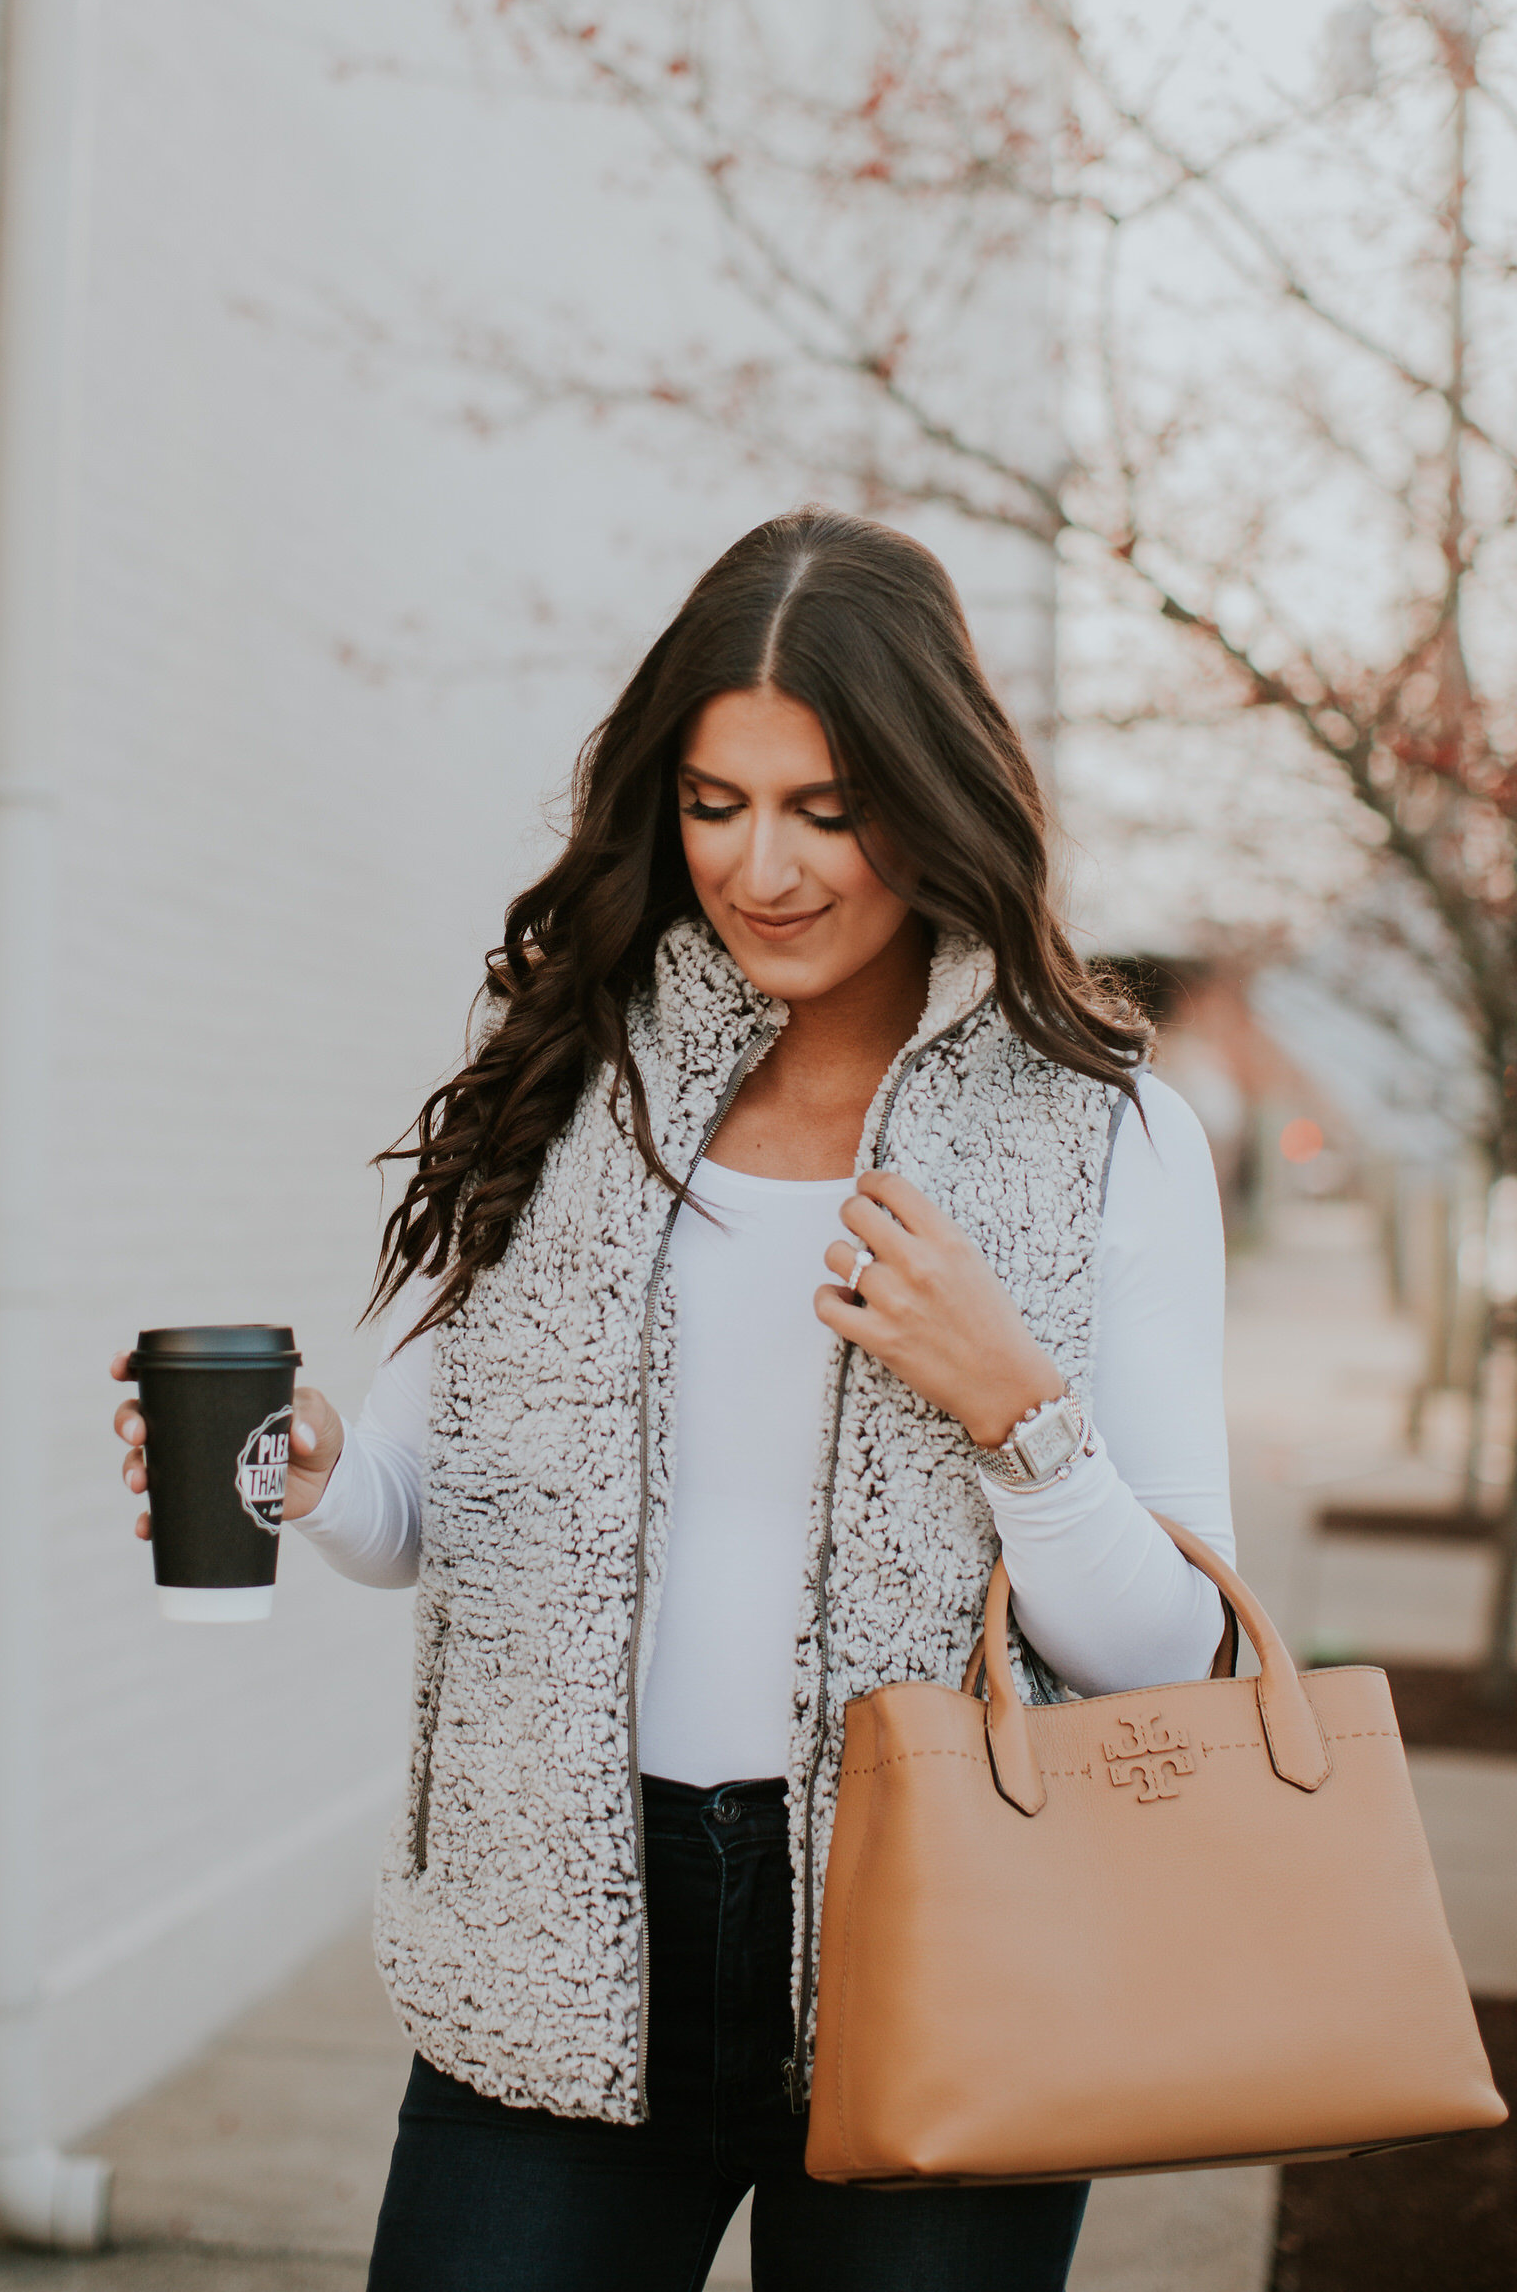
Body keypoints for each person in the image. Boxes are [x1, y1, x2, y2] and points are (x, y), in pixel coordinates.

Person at [112, 507, 1234, 2291]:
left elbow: (1175, 1660)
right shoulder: (568, 1079)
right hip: (550, 1944)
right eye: (716, 805)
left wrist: (1013, 1400)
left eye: (824, 807)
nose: (763, 867)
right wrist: (316, 1466)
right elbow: (417, 1507)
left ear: (932, 797)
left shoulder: (1107, 1135)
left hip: (949, 1961)